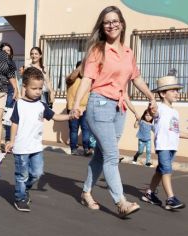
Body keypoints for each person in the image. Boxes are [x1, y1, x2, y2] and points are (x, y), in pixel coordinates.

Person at [71, 6, 157, 218]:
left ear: (122, 23)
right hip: (99, 104)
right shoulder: (97, 50)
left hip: (120, 107)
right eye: (107, 22)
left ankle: (86, 192)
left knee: (101, 155)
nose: (111, 25)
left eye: (115, 21)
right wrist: (76, 104)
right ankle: (121, 202)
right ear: (102, 26)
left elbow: (135, 78)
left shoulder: (128, 52)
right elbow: (88, 79)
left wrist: (151, 96)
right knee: (111, 155)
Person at [5, 67, 74, 212]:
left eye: (40, 88)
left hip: (36, 147)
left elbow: (55, 116)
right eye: (34, 88)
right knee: (22, 174)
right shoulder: (19, 104)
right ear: (25, 87)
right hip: (21, 147)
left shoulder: (42, 105)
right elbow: (14, 123)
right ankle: (20, 198)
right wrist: (11, 141)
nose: (38, 91)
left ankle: (25, 189)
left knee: (37, 173)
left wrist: (70, 116)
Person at [141, 75, 188, 210]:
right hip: (163, 145)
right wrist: (151, 108)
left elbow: (176, 131)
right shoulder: (159, 108)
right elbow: (152, 113)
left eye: (177, 90)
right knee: (167, 169)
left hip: (172, 146)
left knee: (160, 171)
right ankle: (170, 199)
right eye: (172, 90)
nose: (176, 93)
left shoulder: (175, 112)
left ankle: (149, 193)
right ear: (162, 93)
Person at [66, 61, 91, 156]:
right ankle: (73, 149)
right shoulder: (70, 79)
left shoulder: (88, 80)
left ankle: (86, 148)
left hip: (85, 108)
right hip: (72, 108)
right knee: (74, 129)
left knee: (85, 129)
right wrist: (80, 66)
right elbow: (71, 77)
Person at [0, 42, 18, 144]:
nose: (6, 52)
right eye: (4, 50)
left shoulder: (12, 63)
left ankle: (8, 140)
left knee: (8, 117)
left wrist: (16, 90)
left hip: (10, 91)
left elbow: (14, 78)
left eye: (8, 50)